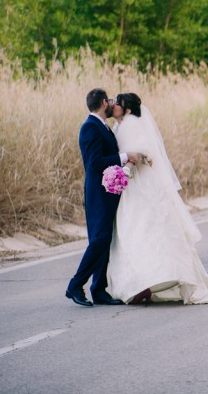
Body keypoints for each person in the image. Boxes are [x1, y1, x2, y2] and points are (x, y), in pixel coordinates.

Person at [106, 93, 208, 305]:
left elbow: (140, 151)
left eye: (118, 103)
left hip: (142, 185)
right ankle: (142, 283)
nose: (114, 105)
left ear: (126, 109)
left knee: (144, 229)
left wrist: (125, 169)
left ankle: (146, 283)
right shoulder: (120, 126)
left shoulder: (130, 124)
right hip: (134, 187)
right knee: (135, 231)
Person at [65, 88, 141, 307]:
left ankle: (98, 289)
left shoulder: (102, 126)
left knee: (104, 239)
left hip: (107, 193)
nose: (111, 103)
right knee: (99, 239)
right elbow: (95, 162)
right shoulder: (90, 127)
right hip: (98, 194)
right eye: (109, 100)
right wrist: (125, 157)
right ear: (102, 103)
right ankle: (75, 285)